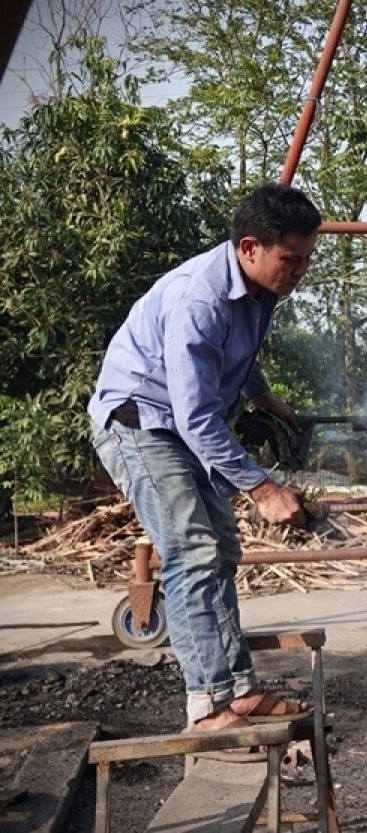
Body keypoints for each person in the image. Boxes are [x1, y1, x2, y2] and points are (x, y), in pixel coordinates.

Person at [88, 182, 321, 732]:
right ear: (249, 247)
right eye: (291, 260)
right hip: (140, 424)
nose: (299, 272)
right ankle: (207, 706)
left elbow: (234, 355)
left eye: (307, 261)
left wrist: (266, 398)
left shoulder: (259, 294)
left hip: (179, 426)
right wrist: (262, 488)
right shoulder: (202, 298)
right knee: (191, 550)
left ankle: (237, 690)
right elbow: (195, 417)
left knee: (220, 550)